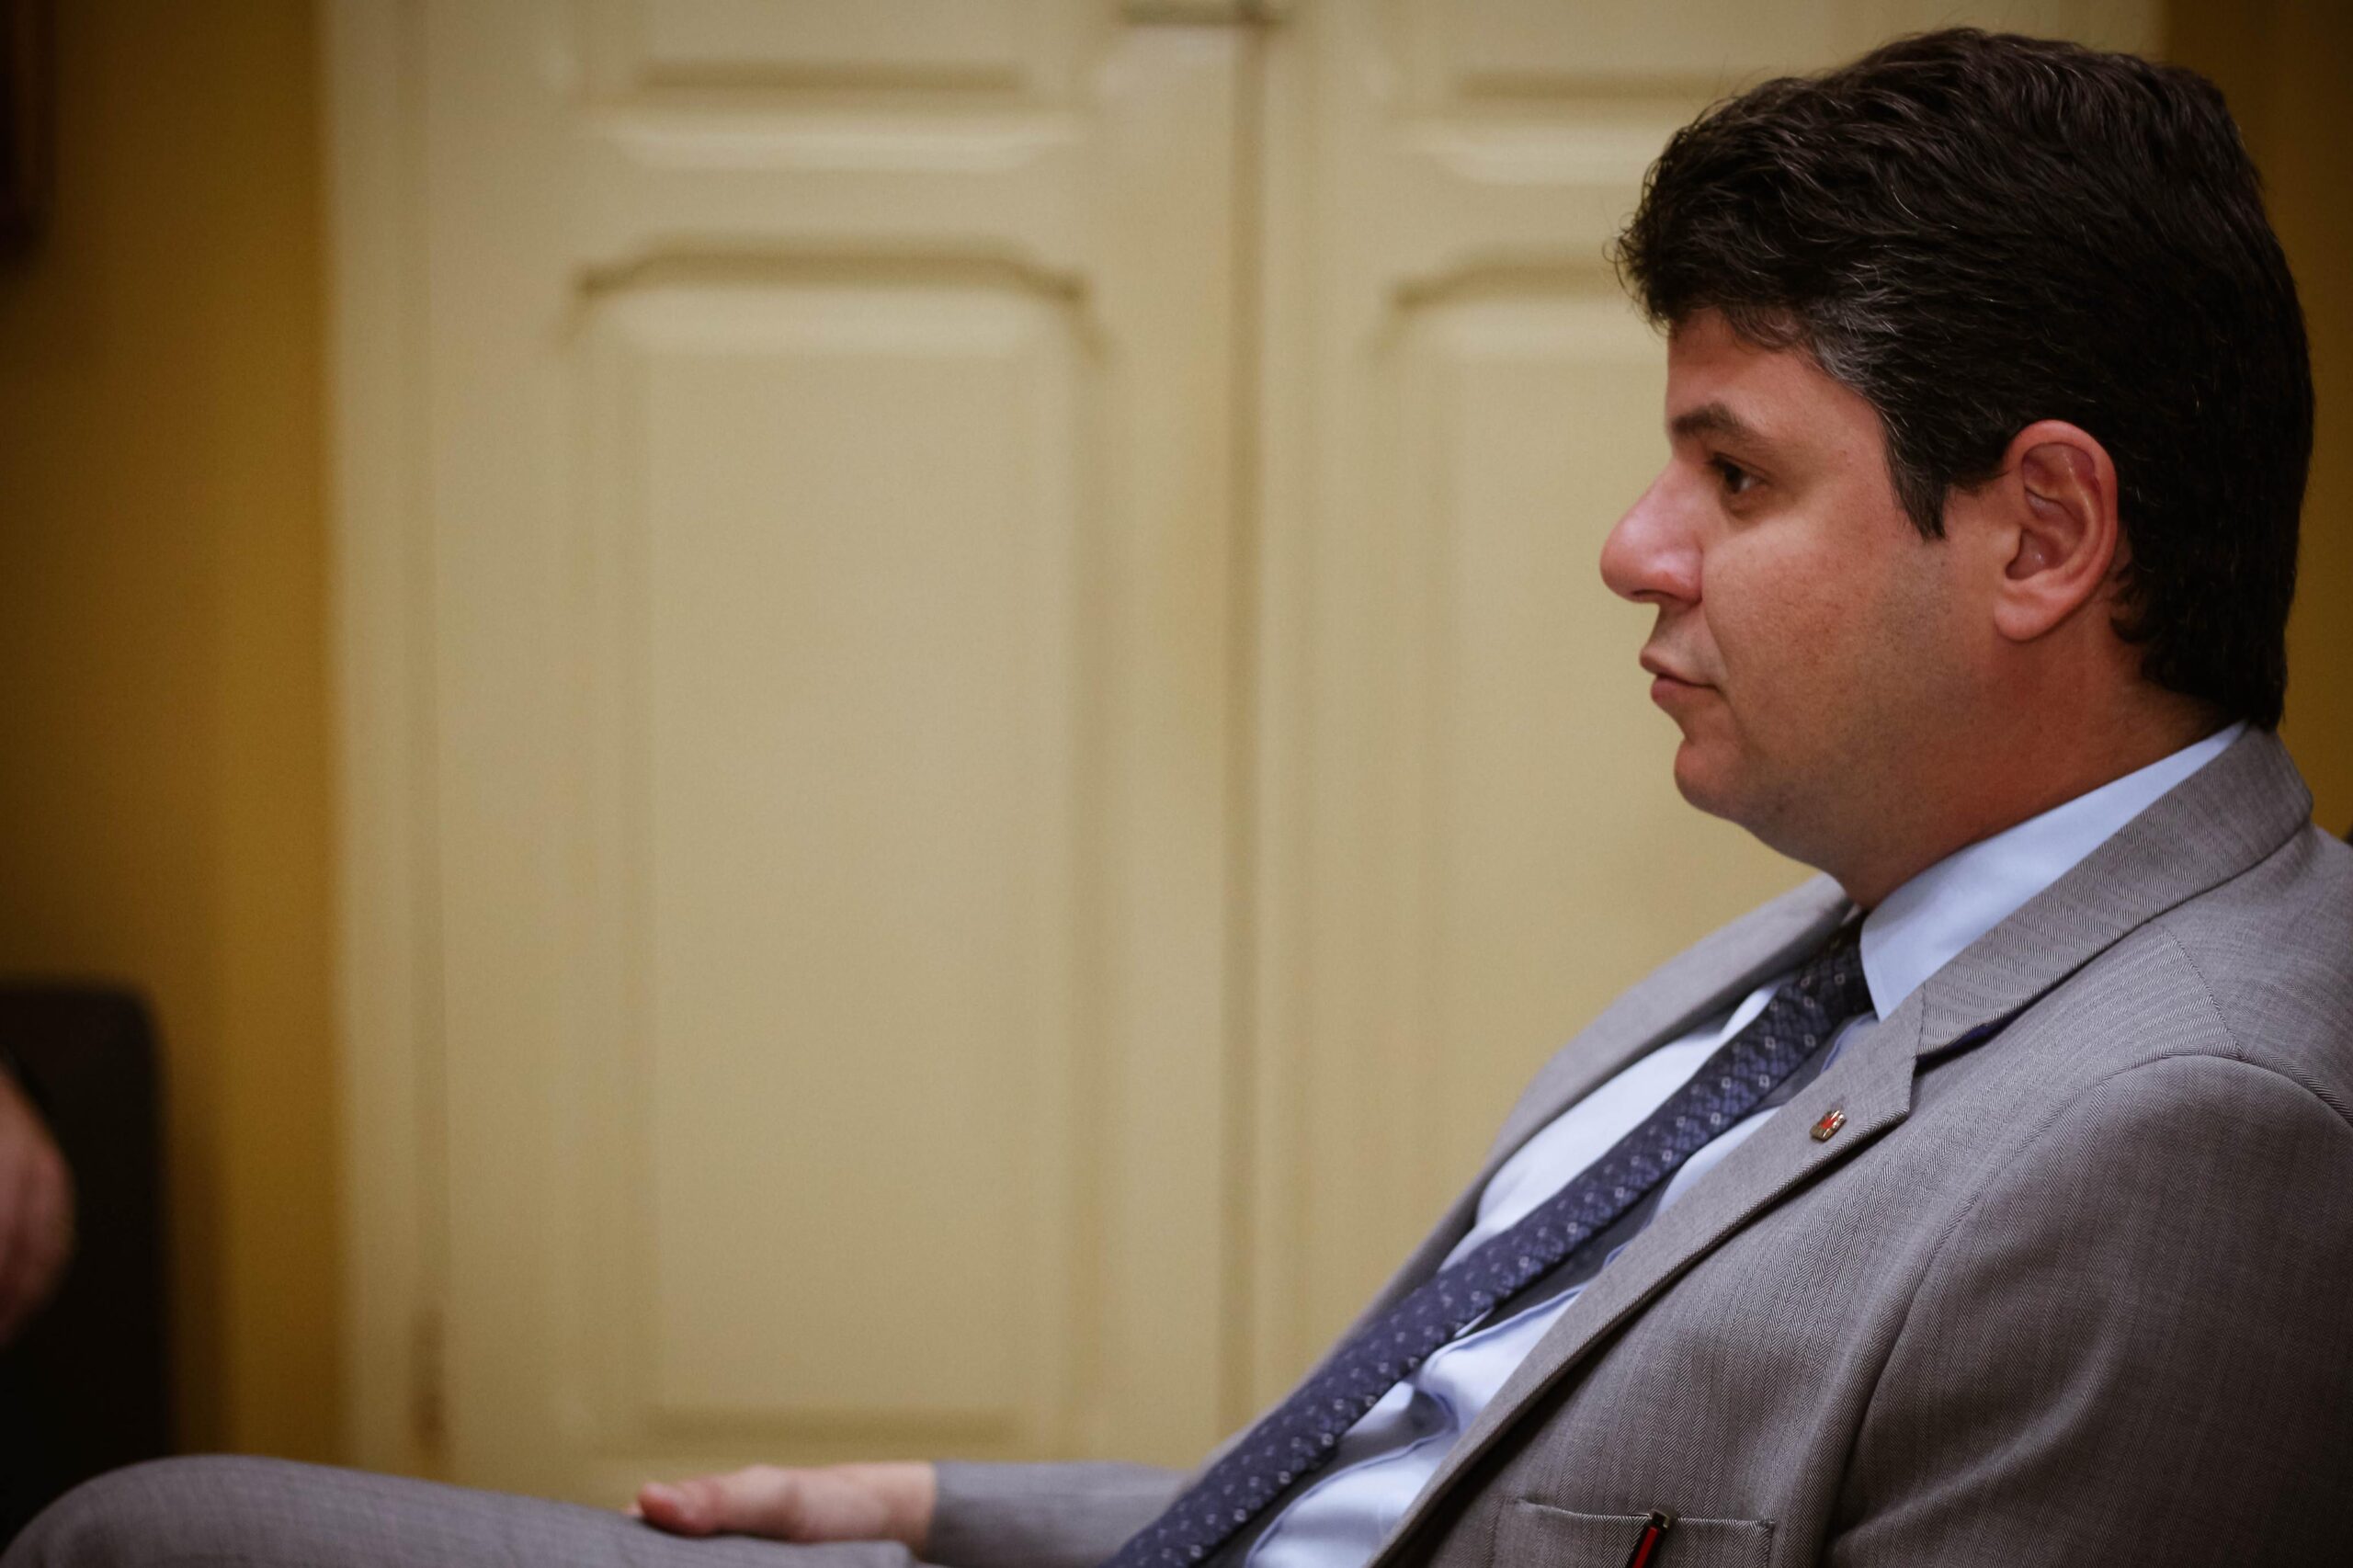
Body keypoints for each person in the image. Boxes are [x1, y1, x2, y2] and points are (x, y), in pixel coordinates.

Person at [10, 26, 2348, 1568]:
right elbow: (1444, 1504)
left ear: (2042, 534)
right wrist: (954, 1513)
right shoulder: (1872, 931)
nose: (1632, 545)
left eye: (1731, 473)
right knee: (153, 1527)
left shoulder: (2201, 1130)